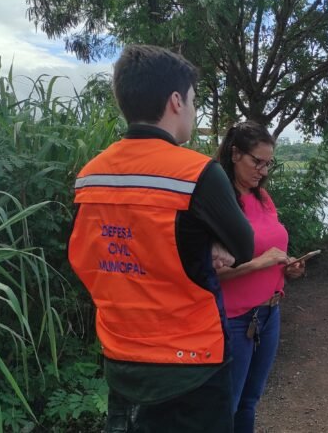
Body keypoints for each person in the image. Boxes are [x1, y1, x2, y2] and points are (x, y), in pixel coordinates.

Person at [67, 45, 254, 433]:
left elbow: (88, 256)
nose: (193, 109)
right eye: (192, 100)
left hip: (122, 356)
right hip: (193, 363)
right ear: (174, 101)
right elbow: (244, 246)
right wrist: (215, 244)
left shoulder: (90, 175)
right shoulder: (196, 172)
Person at [215, 122, 306, 433]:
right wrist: (258, 263)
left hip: (270, 313)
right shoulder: (218, 202)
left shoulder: (263, 198)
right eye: (257, 162)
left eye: (268, 164)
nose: (263, 171)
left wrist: (288, 266)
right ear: (235, 153)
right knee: (227, 405)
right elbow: (209, 273)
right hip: (235, 320)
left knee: (250, 400)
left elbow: (273, 248)